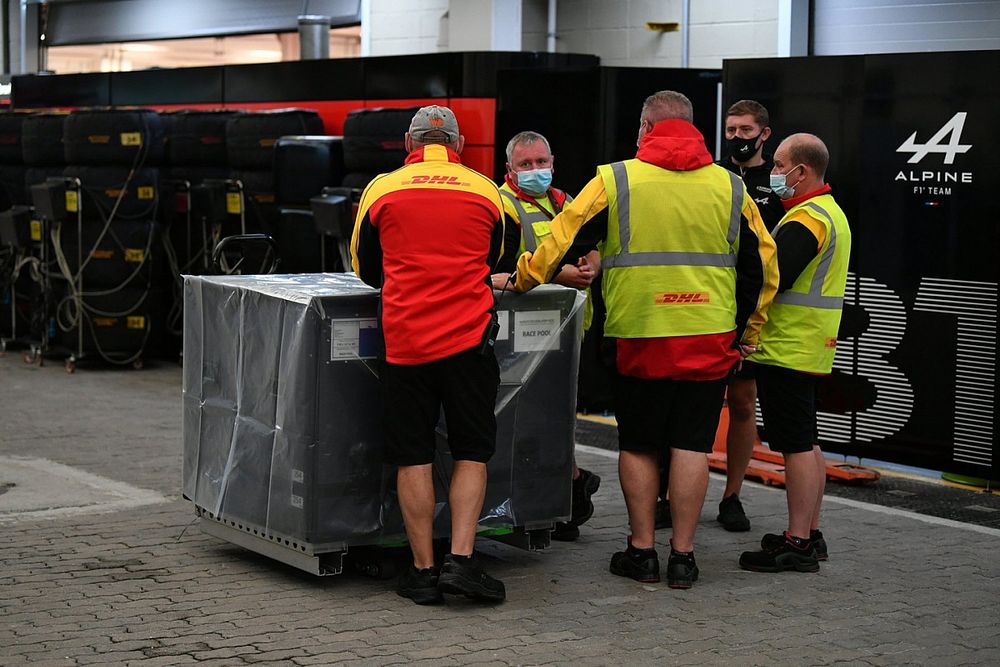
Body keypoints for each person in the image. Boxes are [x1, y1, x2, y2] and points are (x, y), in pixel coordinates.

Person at [512, 91, 778, 588]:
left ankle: (641, 552)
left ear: (645, 128)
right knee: (691, 446)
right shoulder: (731, 185)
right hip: (708, 335)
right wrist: (747, 333)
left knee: (637, 445)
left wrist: (521, 280)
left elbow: (560, 241)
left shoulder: (615, 179)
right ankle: (684, 555)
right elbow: (763, 267)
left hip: (639, 335)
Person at [351, 105, 509, 605]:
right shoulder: (486, 190)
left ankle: (422, 572)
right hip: (468, 342)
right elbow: (500, 259)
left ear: (407, 142)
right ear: (459, 145)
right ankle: (460, 563)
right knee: (470, 451)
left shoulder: (382, 188)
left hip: (406, 343)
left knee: (412, 456)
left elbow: (364, 269)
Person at [739, 133, 851, 573]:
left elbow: (775, 277)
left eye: (780, 164)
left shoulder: (807, 219)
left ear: (801, 172)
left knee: (796, 445)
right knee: (808, 441)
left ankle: (798, 542)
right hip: (807, 346)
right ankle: (811, 531)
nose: (774, 172)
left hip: (788, 347)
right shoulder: (829, 213)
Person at [492, 130, 602, 542]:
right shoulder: (503, 206)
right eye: (526, 165)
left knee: (557, 415)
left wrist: (591, 266)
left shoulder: (565, 202)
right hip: (521, 330)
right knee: (528, 419)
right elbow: (503, 267)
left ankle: (564, 493)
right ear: (510, 169)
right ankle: (566, 489)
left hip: (570, 328)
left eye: (541, 162)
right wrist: (562, 274)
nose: (536, 170)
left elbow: (593, 244)